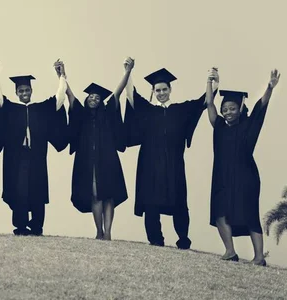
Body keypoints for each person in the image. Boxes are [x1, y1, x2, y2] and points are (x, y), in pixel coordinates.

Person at [123, 58, 218, 249]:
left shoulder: (181, 110)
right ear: (153, 92)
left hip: (173, 163)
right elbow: (131, 94)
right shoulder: (148, 110)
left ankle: (183, 239)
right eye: (157, 90)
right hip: (149, 163)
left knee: (179, 201)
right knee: (150, 201)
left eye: (164, 89)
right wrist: (128, 71)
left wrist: (213, 82)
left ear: (170, 89)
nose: (161, 93)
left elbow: (205, 101)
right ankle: (155, 239)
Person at [206, 68, 280, 266]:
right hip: (221, 177)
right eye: (225, 109)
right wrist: (211, 84)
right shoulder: (219, 127)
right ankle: (230, 251)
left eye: (232, 108)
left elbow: (260, 107)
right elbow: (209, 104)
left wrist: (270, 88)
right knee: (220, 212)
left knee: (249, 213)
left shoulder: (248, 125)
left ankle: (259, 257)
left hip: (245, 176)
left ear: (240, 109)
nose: (228, 112)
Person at [0, 59, 68, 236]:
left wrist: (62, 76)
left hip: (37, 157)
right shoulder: (10, 109)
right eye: (21, 90)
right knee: (18, 190)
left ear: (32, 91)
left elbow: (59, 99)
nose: (24, 93)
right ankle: (21, 226)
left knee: (37, 190)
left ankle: (37, 226)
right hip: (16, 158)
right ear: (16, 92)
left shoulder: (41, 109)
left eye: (27, 90)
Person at [64, 60, 131, 240]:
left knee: (109, 195)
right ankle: (99, 230)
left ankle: (108, 232)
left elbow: (118, 91)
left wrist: (127, 71)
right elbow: (69, 95)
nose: (93, 99)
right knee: (94, 194)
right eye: (90, 96)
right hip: (87, 160)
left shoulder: (107, 113)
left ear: (101, 102)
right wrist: (62, 76)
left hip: (107, 159)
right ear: (86, 99)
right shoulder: (81, 115)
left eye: (97, 97)